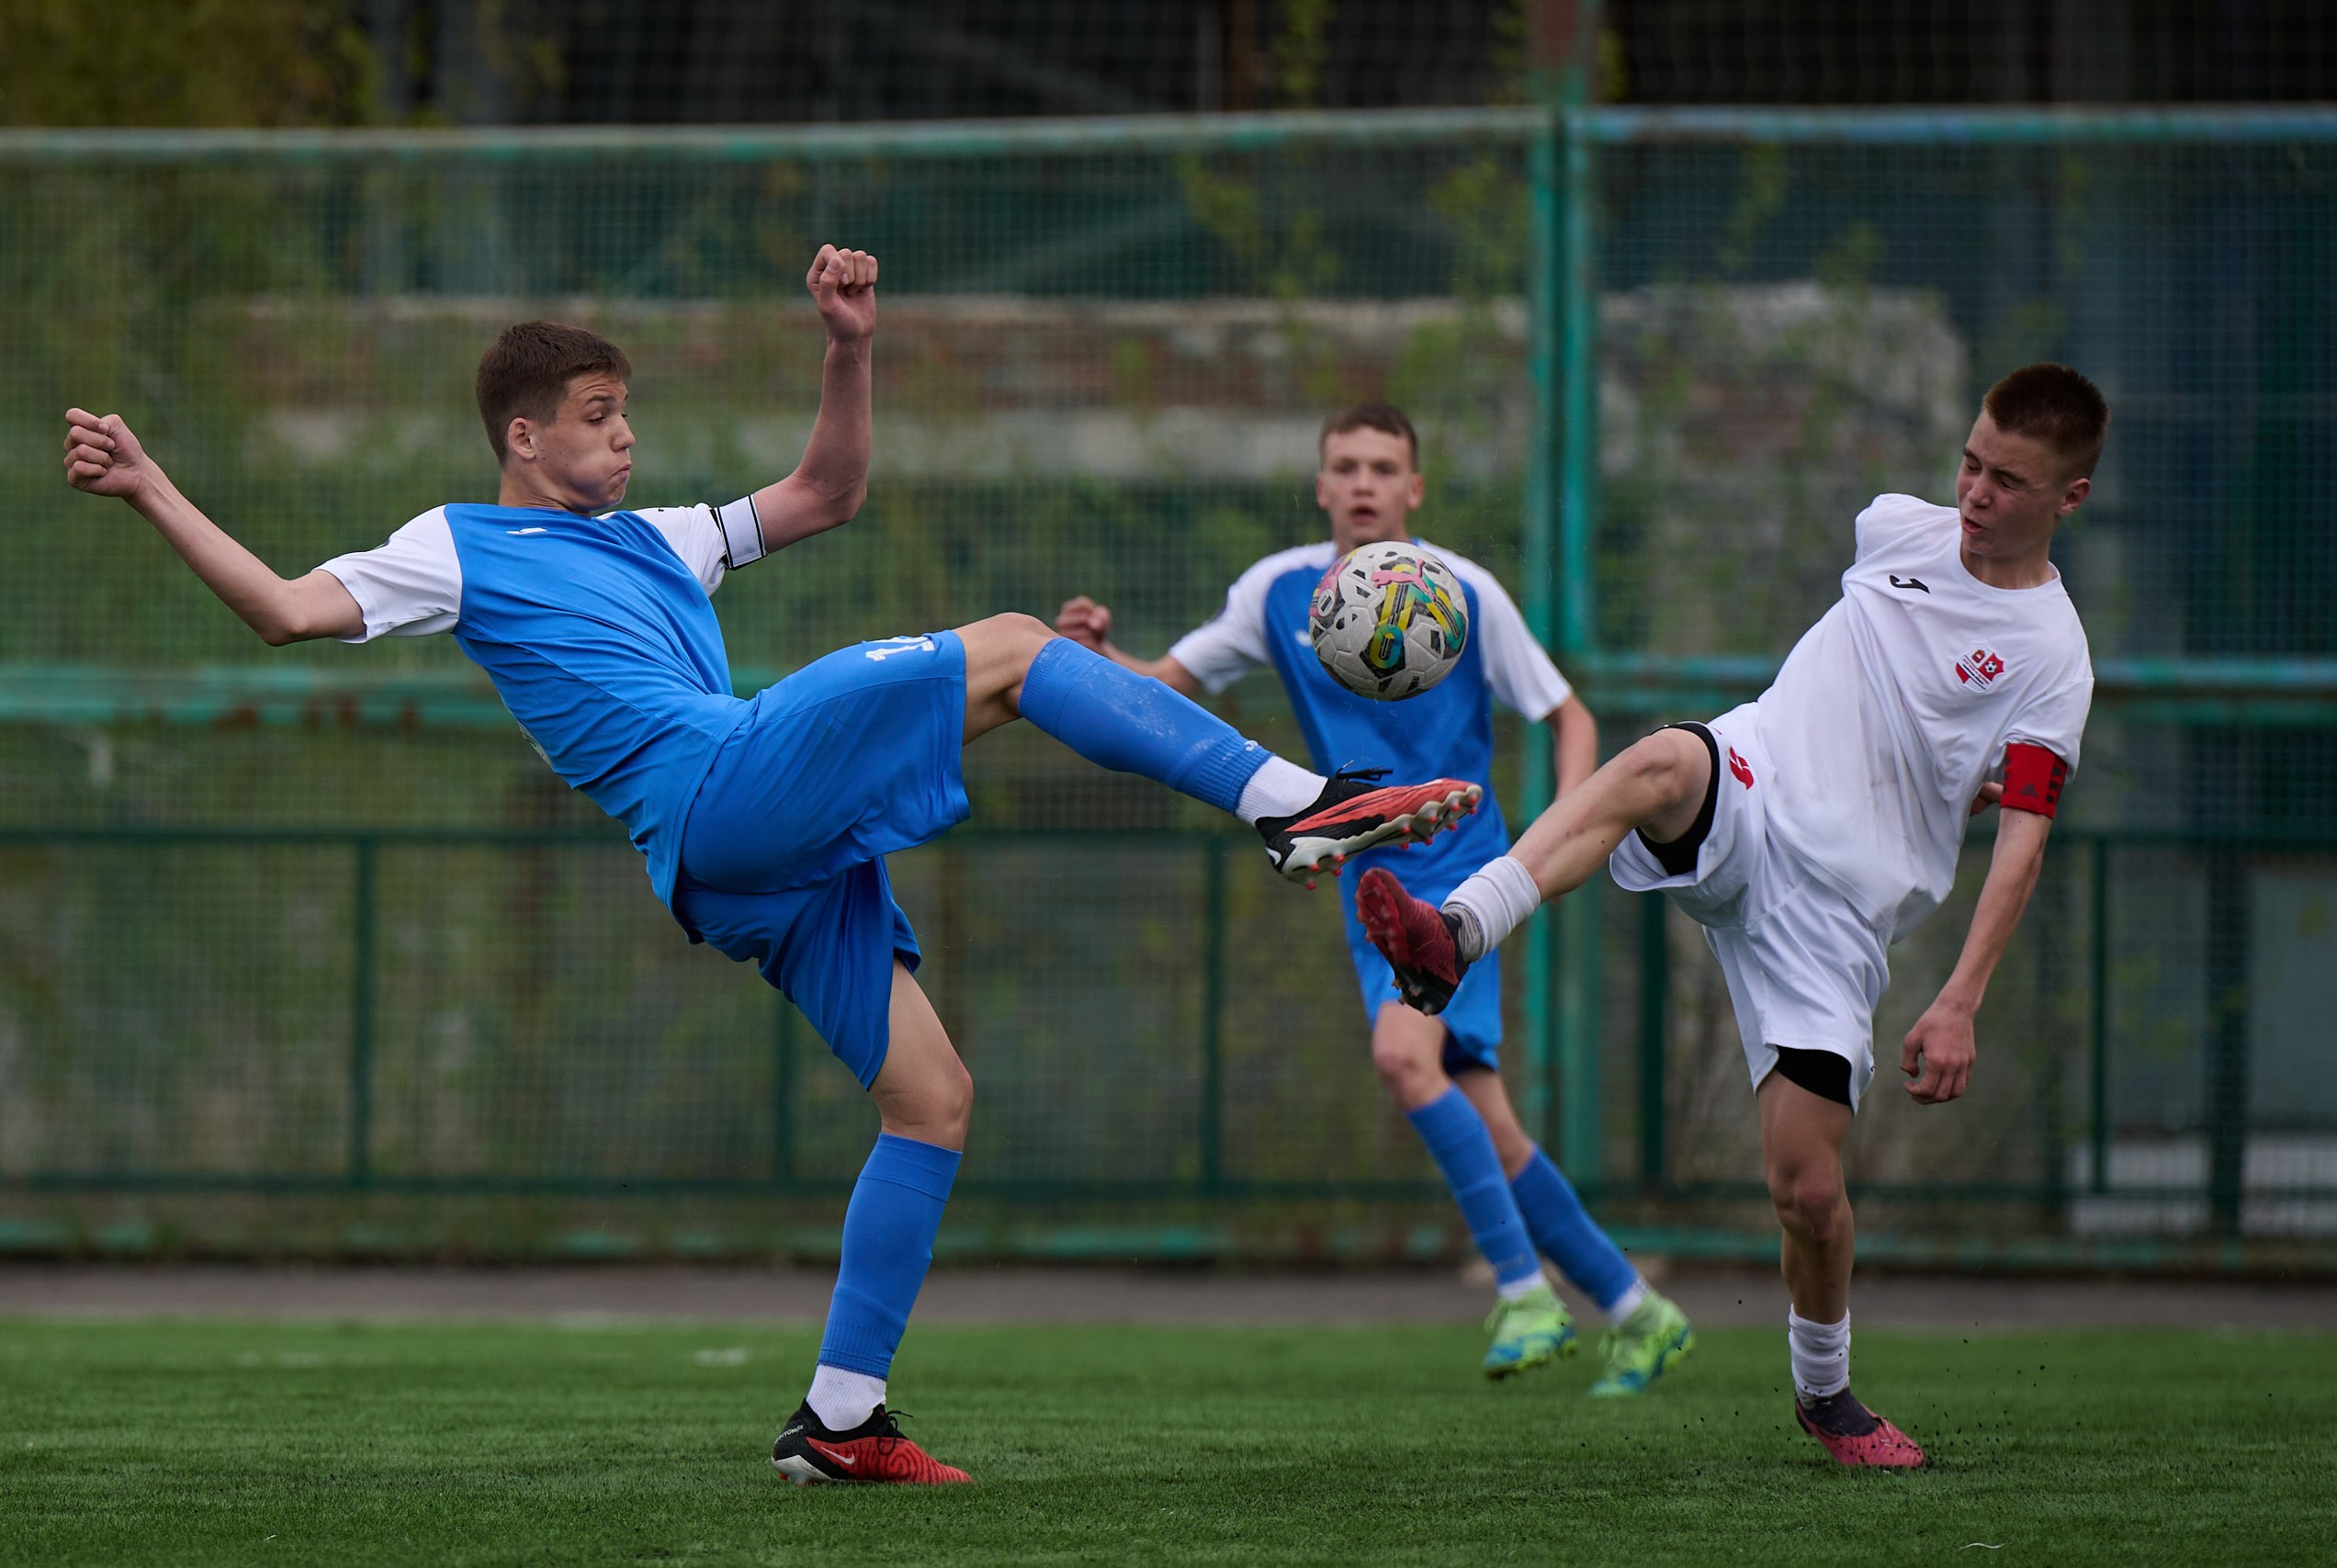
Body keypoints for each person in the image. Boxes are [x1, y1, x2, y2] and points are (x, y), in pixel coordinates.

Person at [61, 249, 1482, 1486]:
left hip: (739, 864)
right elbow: (282, 611)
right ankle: (1305, 805)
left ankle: (842, 1417)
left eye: (627, 416)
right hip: (720, 792)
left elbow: (827, 488)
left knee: (931, 1097)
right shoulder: (457, 546)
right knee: (1013, 645)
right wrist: (150, 487)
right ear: (522, 433)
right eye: (599, 418)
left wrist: (848, 349)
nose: (625, 440)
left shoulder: (661, 535)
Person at [1358, 365, 2106, 1467]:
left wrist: (1959, 999)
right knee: (1660, 760)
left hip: (1840, 912)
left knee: (1804, 1188)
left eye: (2007, 480)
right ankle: (1454, 932)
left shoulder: (2053, 658)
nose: (1974, 494)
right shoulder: (1893, 528)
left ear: (2069, 498)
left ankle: (1826, 1394)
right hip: (1749, 788)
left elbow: (2026, 833)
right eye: (1970, 462)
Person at [1056, 403, 1692, 1393]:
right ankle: (1636, 1310)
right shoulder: (1275, 592)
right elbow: (1165, 689)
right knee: (1490, 1120)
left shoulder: (1462, 592)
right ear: (1320, 487)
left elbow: (1568, 712)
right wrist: (1100, 657)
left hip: (1469, 876)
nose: (1363, 482)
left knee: (1403, 1057)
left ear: (1414, 490)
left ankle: (1523, 1291)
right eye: (1345, 465)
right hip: (1374, 882)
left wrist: (1546, 846)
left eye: (1383, 466)